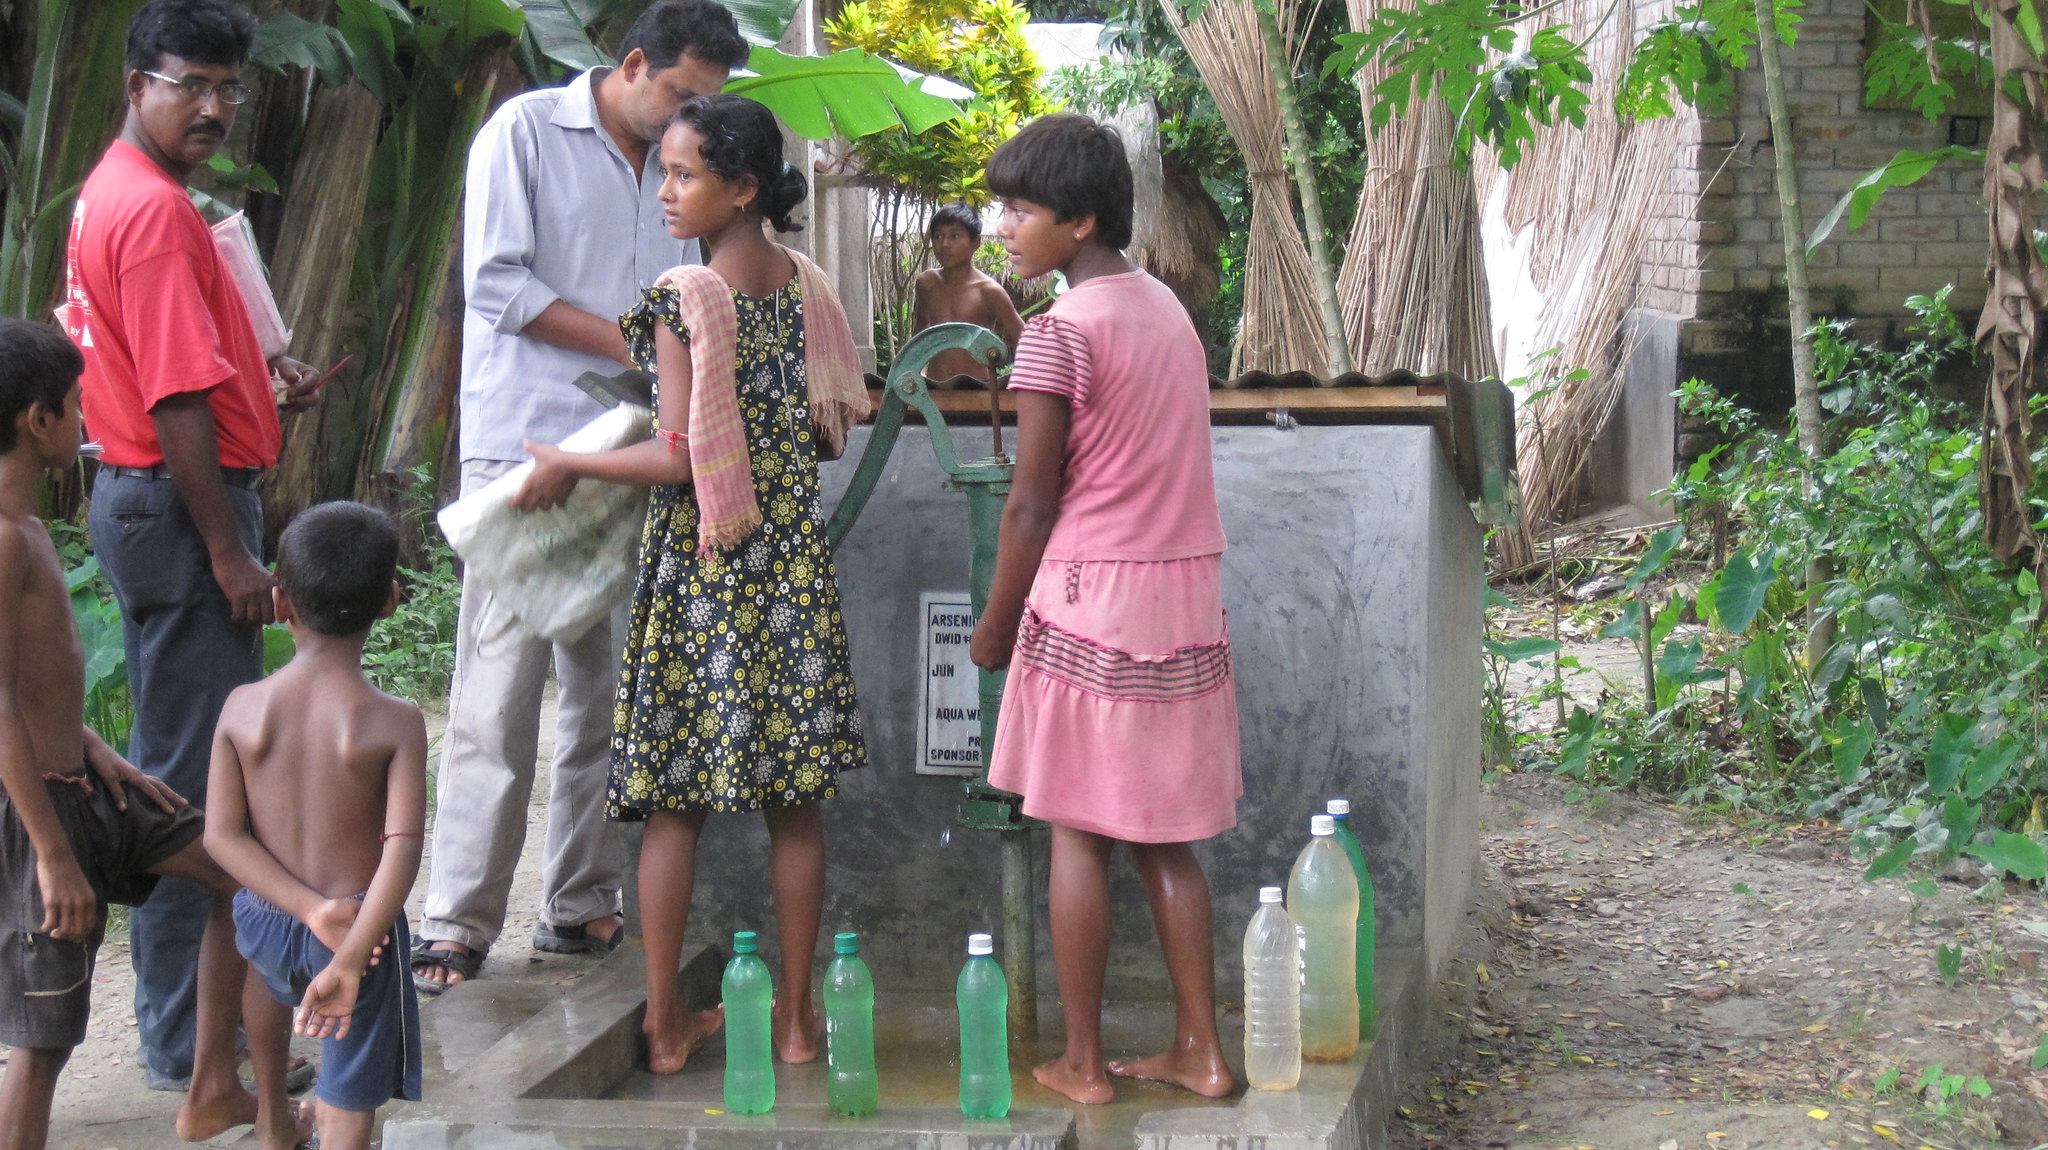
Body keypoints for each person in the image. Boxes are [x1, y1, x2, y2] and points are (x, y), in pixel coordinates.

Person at [513, 94, 871, 1075]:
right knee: (794, 805)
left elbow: (680, 457)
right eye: (662, 171)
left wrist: (570, 462)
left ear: (742, 188)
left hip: (706, 572)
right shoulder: (805, 287)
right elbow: (819, 432)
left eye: (683, 175)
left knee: (675, 804)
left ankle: (666, 1025)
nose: (664, 191)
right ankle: (797, 1023)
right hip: (789, 574)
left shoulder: (684, 296)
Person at [414, 0, 752, 995]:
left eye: (708, 106)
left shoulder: (678, 168)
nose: (692, 118)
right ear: (634, 62)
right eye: (684, 95)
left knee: (604, 691)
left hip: (633, 452)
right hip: (527, 444)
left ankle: (577, 904)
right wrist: (642, 342)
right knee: (496, 691)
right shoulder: (522, 132)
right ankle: (457, 919)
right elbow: (497, 287)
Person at [58, 0, 322, 1092]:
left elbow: (163, 368)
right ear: (136, 85)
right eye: (191, 84)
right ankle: (182, 1046)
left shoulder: (116, 191)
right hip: (174, 510)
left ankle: (188, 1034)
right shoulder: (158, 213)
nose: (214, 106)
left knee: (182, 766)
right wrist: (228, 551)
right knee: (189, 789)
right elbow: (171, 400)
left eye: (229, 87)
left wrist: (264, 393)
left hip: (143, 499)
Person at [968, 113, 1241, 1106]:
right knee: (1165, 837)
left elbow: (1032, 499)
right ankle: (1201, 1050)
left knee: (1076, 831)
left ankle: (1082, 1062)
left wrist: (995, 622)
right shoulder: (1166, 309)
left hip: (1089, 596)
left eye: (1020, 208)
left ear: (1078, 220)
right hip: (1181, 598)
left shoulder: (1055, 334)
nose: (1002, 225)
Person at [0, 318, 259, 1149]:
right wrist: (51, 854)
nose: (87, 420)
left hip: (85, 783)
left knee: (245, 876)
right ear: (37, 422)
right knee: (43, 1040)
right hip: (39, 812)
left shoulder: (30, 526)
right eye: (77, 404)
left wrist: (95, 748)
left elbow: (34, 686)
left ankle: (213, 1084)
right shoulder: (3, 541)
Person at [205, 501, 427, 1150]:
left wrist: (303, 908)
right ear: (388, 601)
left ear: (280, 604)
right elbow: (403, 852)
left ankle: (275, 1118)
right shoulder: (394, 721)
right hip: (356, 929)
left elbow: (222, 836)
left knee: (266, 985)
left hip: (265, 919)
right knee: (350, 1082)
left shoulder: (243, 708)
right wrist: (352, 950)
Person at [911, 201, 1023, 389]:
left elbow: (1024, 341)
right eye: (938, 236)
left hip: (978, 393)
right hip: (932, 391)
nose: (944, 244)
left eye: (955, 236)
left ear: (976, 242)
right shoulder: (926, 283)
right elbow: (918, 337)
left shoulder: (989, 291)